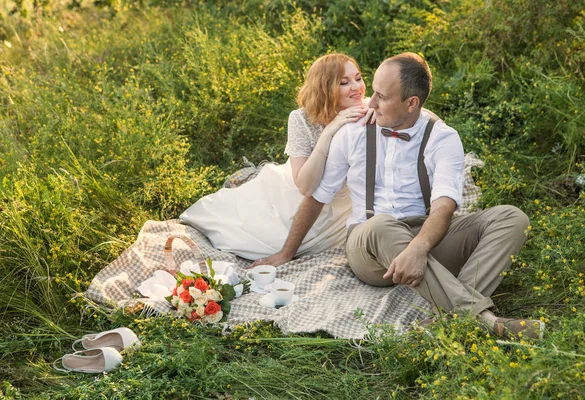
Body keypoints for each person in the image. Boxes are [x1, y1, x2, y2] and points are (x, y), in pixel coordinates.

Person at [255, 52, 545, 339]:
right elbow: (317, 197)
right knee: (381, 225)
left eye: (381, 96)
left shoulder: (442, 137)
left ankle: (451, 322)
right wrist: (286, 253)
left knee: (512, 218)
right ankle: (489, 323)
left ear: (411, 103)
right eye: (374, 92)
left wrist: (418, 248)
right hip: (368, 244)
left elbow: (444, 206)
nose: (370, 102)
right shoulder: (352, 131)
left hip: (426, 237)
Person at [180, 53, 373, 260]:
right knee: (258, 240)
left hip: (343, 206)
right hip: (299, 197)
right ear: (325, 88)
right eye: (344, 82)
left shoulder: (370, 109)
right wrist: (329, 132)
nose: (357, 87)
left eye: (358, 78)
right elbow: (306, 187)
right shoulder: (301, 119)